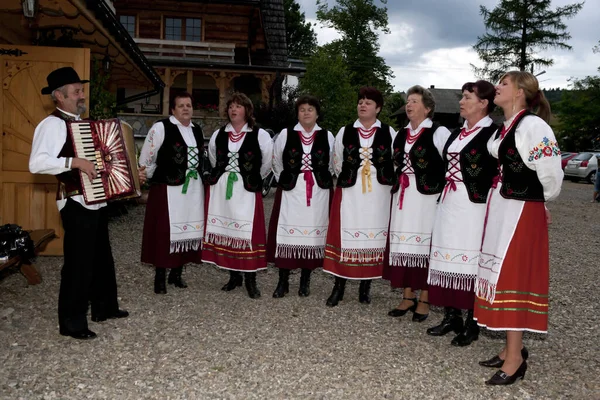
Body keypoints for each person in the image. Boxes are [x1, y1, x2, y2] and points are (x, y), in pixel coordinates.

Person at [29, 67, 134, 340]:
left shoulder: (82, 124)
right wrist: (74, 162)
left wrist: (127, 174)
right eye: (76, 91)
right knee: (79, 263)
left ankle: (104, 307)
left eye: (81, 90)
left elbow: (102, 161)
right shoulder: (51, 124)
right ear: (58, 97)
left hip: (95, 200)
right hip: (75, 201)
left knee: (101, 257)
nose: (81, 95)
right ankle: (72, 322)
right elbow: (36, 162)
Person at [475, 71, 562, 385]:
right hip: (503, 207)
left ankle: (514, 359)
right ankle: (512, 348)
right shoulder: (506, 127)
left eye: (504, 83)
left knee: (512, 276)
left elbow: (551, 174)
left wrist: (541, 202)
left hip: (522, 211)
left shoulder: (534, 127)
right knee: (498, 272)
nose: (497, 87)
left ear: (521, 92)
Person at [425, 81, 499, 346]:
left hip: (474, 206)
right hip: (449, 202)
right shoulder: (456, 133)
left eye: (467, 97)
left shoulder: (494, 133)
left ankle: (472, 321)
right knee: (447, 256)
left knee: (470, 261)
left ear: (483, 103)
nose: (461, 101)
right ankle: (451, 315)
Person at [383, 85, 451, 322]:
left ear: (428, 107)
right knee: (404, 246)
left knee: (425, 247)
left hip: (427, 197)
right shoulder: (401, 134)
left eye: (414, 101)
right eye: (408, 101)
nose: (409, 105)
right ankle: (407, 295)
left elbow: (450, 164)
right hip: (403, 196)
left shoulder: (438, 132)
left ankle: (425, 298)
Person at [323, 87, 396, 307]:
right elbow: (336, 161)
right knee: (345, 236)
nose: (363, 105)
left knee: (372, 238)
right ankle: (339, 286)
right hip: (352, 191)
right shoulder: (345, 131)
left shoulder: (389, 132)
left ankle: (366, 288)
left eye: (368, 102)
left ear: (378, 108)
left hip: (378, 193)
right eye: (361, 101)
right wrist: (350, 175)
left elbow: (395, 160)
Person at [202, 93, 273, 298]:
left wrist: (252, 178)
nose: (234, 110)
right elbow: (214, 158)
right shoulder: (219, 134)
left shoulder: (260, 135)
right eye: (231, 106)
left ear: (247, 110)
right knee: (228, 232)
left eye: (239, 106)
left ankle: (250, 279)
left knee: (246, 234)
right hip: (223, 189)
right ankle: (234, 277)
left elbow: (267, 161)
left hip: (246, 189)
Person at [267, 95, 334, 298]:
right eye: (302, 109)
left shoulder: (327, 136)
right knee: (286, 233)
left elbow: (332, 163)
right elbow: (276, 161)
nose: (306, 112)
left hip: (317, 193)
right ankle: (283, 282)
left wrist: (318, 177)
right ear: (297, 113)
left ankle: (305, 281)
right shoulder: (286, 134)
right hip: (291, 191)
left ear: (317, 113)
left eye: (310, 109)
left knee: (312, 237)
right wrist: (287, 179)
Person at [139, 92, 205, 294]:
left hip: (192, 189)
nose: (186, 108)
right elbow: (148, 154)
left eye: (189, 105)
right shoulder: (161, 127)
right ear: (173, 110)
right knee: (164, 232)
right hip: (168, 187)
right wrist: (145, 173)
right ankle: (160, 277)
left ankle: (176, 273)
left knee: (187, 229)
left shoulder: (197, 130)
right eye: (181, 105)